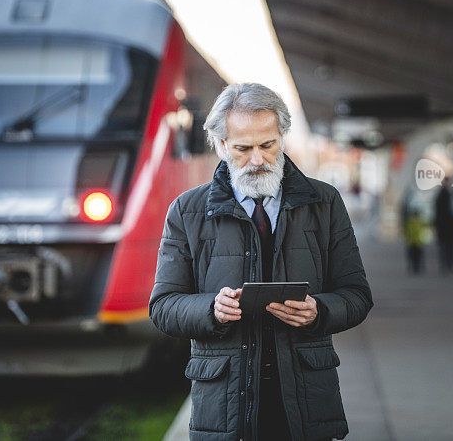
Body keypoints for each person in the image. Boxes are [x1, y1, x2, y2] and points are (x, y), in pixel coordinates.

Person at [150, 83, 373, 441]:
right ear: (220, 145)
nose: (258, 159)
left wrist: (321, 311)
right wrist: (212, 309)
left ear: (282, 137)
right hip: (225, 410)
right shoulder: (186, 210)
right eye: (243, 148)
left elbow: (357, 296)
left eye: (268, 145)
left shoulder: (324, 202)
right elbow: (163, 307)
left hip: (306, 403)